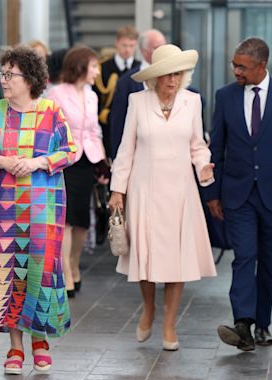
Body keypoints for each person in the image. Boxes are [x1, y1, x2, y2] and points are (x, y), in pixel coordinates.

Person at [0, 45, 77, 375]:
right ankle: (15, 347)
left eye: (10, 74)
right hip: (1, 210)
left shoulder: (51, 112)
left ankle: (40, 340)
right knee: (7, 274)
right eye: (2, 73)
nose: (4, 80)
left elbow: (69, 151)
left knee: (39, 272)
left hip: (43, 208)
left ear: (29, 78)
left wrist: (37, 162)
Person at [108, 44, 217, 351]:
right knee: (145, 256)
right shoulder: (137, 101)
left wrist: (204, 168)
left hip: (181, 191)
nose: (173, 80)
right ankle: (149, 308)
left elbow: (198, 145)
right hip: (145, 189)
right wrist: (118, 190)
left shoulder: (192, 102)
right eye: (168, 74)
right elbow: (126, 148)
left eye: (178, 74)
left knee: (177, 260)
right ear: (155, 77)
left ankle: (169, 324)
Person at [207, 37, 272, 352]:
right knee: (244, 257)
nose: (236, 71)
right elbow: (216, 148)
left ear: (262, 65)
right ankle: (242, 323)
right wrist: (212, 193)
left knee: (268, 262)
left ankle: (262, 323)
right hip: (237, 195)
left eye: (243, 66)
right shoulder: (224, 96)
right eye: (234, 65)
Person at [46, 45, 109, 297]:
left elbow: (94, 131)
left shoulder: (93, 95)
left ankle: (74, 263)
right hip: (65, 161)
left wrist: (103, 161)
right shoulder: (56, 93)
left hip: (87, 161)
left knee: (82, 219)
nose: (96, 72)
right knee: (67, 219)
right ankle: (63, 273)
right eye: (94, 66)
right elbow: (49, 129)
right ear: (81, 67)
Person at [108, 29, 166, 160]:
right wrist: (119, 161)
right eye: (157, 47)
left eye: (164, 46)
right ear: (144, 50)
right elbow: (119, 124)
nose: (163, 50)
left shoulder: (174, 77)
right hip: (138, 155)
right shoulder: (126, 81)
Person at [93, 25, 140, 157]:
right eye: (124, 45)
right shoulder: (102, 68)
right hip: (109, 126)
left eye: (131, 46)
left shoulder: (140, 68)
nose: (127, 50)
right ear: (117, 43)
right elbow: (96, 97)